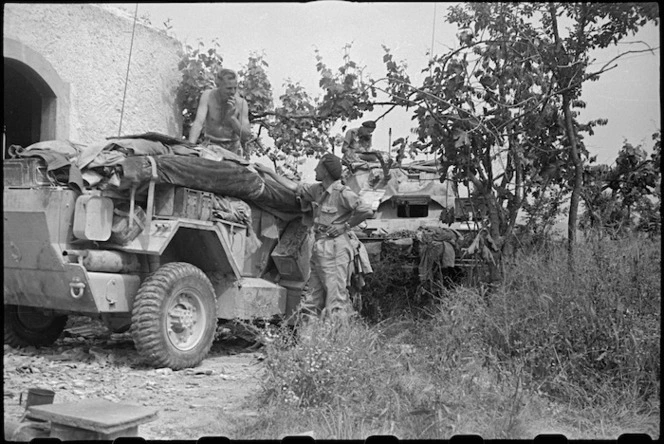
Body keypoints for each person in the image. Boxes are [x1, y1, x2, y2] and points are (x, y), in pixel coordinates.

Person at [254, 153, 374, 320]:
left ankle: (339, 343)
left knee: (336, 301)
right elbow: (295, 188)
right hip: (320, 247)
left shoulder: (342, 192)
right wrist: (268, 172)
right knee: (312, 301)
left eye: (318, 166)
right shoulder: (317, 190)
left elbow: (366, 210)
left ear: (325, 171)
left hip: (335, 247)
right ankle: (309, 341)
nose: (315, 169)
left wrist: (343, 226)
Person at [188, 68, 252, 158]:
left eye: (235, 88)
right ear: (219, 86)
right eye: (229, 88)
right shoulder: (208, 96)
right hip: (211, 146)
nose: (233, 92)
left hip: (232, 150)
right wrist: (189, 147)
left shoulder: (241, 104)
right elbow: (198, 123)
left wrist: (232, 119)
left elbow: (246, 136)